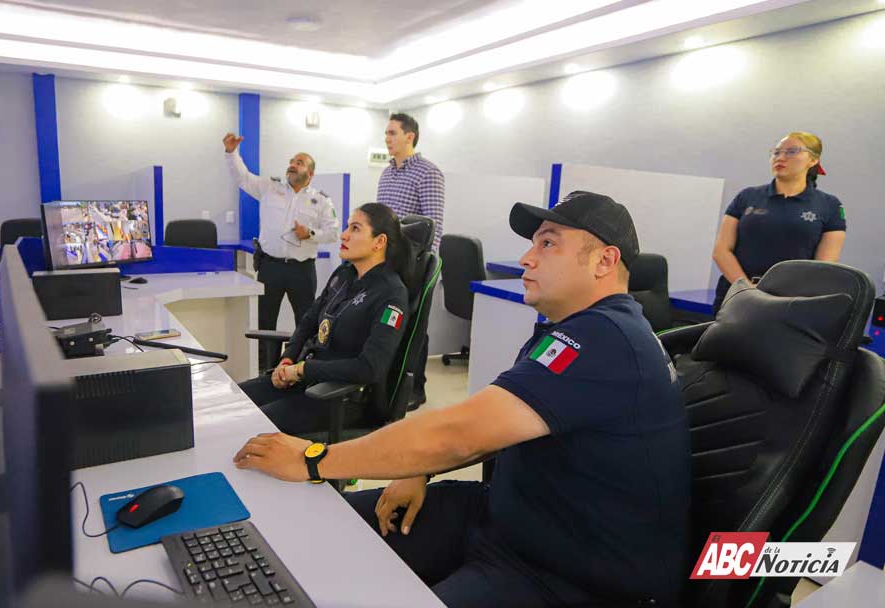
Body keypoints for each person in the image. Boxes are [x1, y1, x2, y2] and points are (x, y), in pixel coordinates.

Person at [233, 192, 690, 607]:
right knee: (326, 524)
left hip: (566, 573)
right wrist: (419, 466)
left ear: (604, 261)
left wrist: (314, 459)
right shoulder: (572, 328)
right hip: (505, 518)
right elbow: (498, 424)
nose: (527, 258)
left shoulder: (604, 338)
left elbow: (459, 433)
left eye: (548, 244)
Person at [237, 203, 411, 436]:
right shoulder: (343, 275)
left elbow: (369, 368)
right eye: (348, 227)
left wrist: (303, 370)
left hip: (340, 396)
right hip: (305, 379)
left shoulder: (391, 294)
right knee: (233, 403)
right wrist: (287, 360)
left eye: (356, 229)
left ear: (379, 242)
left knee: (248, 425)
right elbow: (309, 322)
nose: (344, 235)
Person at [223, 133, 341, 368]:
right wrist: (231, 153)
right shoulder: (270, 186)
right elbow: (242, 178)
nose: (292, 165)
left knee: (306, 323)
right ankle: (265, 370)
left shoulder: (321, 201)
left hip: (302, 271)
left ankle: (299, 368)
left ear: (310, 173)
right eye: (292, 161)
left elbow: (334, 232)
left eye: (299, 162)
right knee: (265, 323)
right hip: (270, 267)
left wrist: (310, 234)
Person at [711, 131, 846, 314]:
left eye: (792, 151)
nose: (781, 157)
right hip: (738, 296)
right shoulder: (747, 196)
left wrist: (785, 296)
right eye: (776, 152)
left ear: (813, 160)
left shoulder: (829, 205)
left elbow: (823, 265)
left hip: (792, 303)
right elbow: (721, 251)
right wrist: (746, 289)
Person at [377, 112, 445, 406]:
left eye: (392, 133)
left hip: (414, 265)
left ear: (410, 136)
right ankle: (390, 382)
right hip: (385, 261)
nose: (387, 139)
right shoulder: (387, 173)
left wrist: (422, 270)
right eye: (386, 133)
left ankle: (416, 388)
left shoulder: (428, 172)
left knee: (416, 325)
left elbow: (435, 227)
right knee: (389, 323)